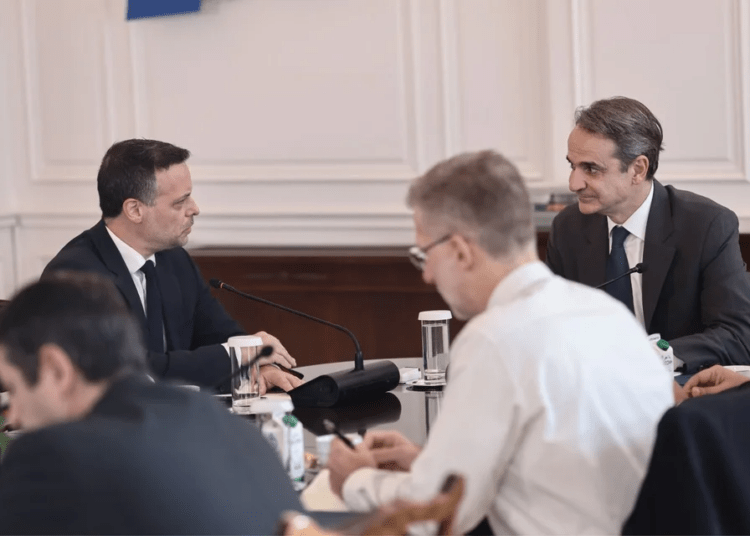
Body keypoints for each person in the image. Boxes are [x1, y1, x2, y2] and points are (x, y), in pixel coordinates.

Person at [326, 150, 674, 534]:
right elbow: (557, 470)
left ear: (460, 250)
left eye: (424, 254)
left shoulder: (494, 338)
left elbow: (433, 516)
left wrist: (354, 480)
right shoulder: (608, 314)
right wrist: (429, 462)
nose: (426, 275)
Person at [0, 272, 304, 534]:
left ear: (56, 369)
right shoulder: (222, 420)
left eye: (13, 389)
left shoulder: (50, 456)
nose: (12, 414)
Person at [42, 138, 301, 392]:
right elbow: (133, 372)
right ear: (134, 210)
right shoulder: (74, 276)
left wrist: (257, 367)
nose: (194, 209)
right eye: (180, 202)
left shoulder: (174, 259)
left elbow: (219, 333)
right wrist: (239, 354)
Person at [545, 96, 750, 374]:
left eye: (590, 169)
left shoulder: (706, 226)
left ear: (638, 169)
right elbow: (552, 328)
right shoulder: (568, 229)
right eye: (573, 165)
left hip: (680, 388)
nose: (574, 183)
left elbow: (737, 335)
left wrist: (652, 357)